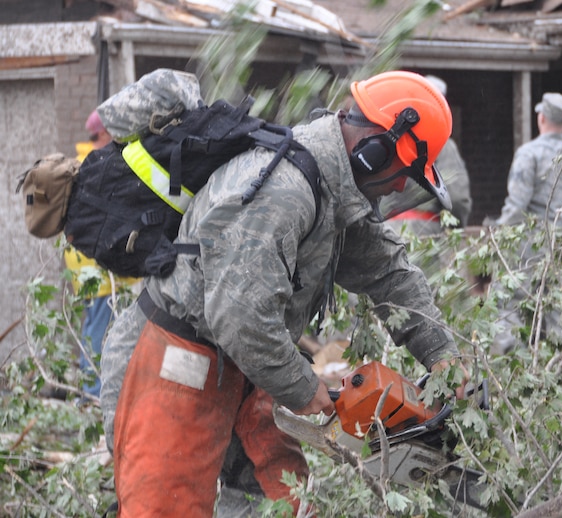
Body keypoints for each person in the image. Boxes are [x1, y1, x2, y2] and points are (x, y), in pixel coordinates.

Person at [100, 70, 470, 517]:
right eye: (401, 172)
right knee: (166, 507)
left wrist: (443, 357)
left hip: (243, 365)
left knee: (283, 501)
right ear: (374, 150)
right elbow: (241, 318)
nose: (397, 186)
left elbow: (389, 272)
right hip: (176, 361)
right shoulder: (283, 191)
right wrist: (301, 386)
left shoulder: (333, 188)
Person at [493, 92, 562, 352]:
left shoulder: (528, 154)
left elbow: (517, 205)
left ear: (541, 118)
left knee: (509, 306)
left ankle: (512, 371)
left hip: (529, 250)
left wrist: (499, 238)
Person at [66, 110, 138, 400]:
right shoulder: (99, 163)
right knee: (100, 327)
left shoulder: (82, 161)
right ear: (107, 134)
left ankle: (88, 391)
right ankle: (93, 396)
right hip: (97, 263)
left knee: (93, 325)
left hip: (83, 262)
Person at [382, 75, 472, 236]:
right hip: (422, 233)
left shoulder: (390, 135)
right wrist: (456, 226)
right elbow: (457, 198)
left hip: (384, 230)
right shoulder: (442, 144)